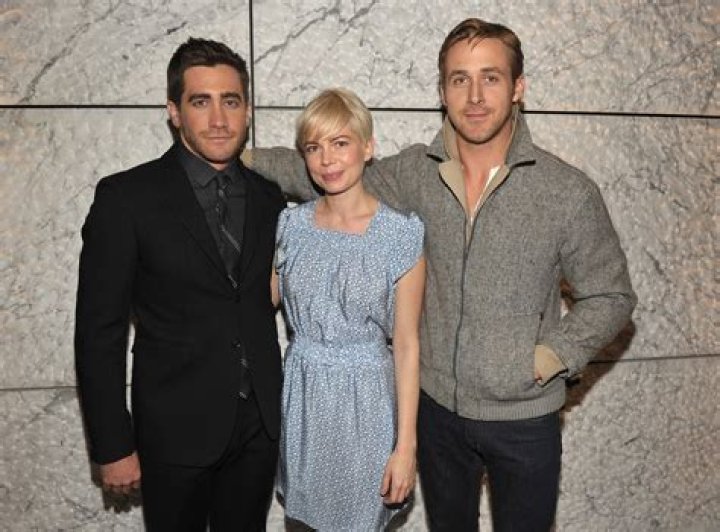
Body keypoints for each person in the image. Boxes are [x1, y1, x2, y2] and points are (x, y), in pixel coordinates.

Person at [246, 18, 637, 532]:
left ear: (518, 87)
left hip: (523, 420)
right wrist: (234, 152)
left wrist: (549, 358)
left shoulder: (567, 191)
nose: (474, 96)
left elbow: (611, 296)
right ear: (442, 91)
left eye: (490, 77)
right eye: (459, 79)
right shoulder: (415, 173)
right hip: (436, 416)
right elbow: (326, 169)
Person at [74, 38, 284, 531]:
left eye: (230, 101)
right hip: (173, 432)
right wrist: (113, 444)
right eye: (200, 102)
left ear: (248, 109)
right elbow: (99, 331)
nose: (219, 119)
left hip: (259, 430)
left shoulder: (270, 197)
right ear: (174, 111)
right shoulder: (126, 199)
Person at [272, 88, 425, 530]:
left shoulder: (400, 235)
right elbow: (253, 304)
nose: (327, 159)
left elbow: (407, 346)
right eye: (314, 147)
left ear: (368, 147)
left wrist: (406, 447)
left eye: (340, 143)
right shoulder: (289, 225)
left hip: (367, 405)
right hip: (304, 401)